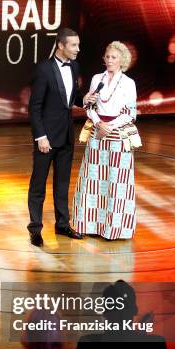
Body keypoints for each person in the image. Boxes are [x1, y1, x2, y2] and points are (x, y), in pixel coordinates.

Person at [72, 40, 137, 240]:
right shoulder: (96, 78)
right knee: (93, 178)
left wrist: (110, 126)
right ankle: (89, 224)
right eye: (107, 57)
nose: (109, 60)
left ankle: (113, 229)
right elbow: (90, 106)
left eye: (114, 57)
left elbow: (130, 113)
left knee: (116, 181)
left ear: (122, 60)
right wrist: (99, 123)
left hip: (118, 133)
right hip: (97, 131)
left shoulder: (128, 82)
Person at [27, 27, 84, 246]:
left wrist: (84, 98)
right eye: (73, 45)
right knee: (38, 185)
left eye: (78, 45)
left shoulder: (75, 66)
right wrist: (40, 136)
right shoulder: (44, 70)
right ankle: (35, 229)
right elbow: (35, 107)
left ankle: (62, 225)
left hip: (67, 136)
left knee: (62, 184)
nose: (78, 49)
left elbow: (72, 98)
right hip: (46, 139)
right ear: (61, 46)